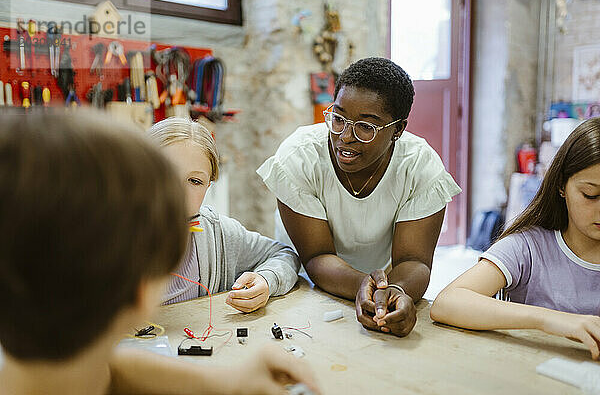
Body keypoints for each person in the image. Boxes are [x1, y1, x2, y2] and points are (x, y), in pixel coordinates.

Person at [0, 109, 319, 395]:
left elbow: (109, 368)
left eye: (194, 181)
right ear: (140, 292)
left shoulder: (49, 360)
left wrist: (228, 383)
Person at [257, 57, 461, 336]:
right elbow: (317, 257)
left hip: (379, 286)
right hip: (298, 286)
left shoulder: (419, 168)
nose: (345, 137)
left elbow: (414, 261)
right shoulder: (300, 158)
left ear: (398, 130)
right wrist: (368, 287)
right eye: (338, 118)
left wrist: (395, 291)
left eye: (366, 126)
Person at [431, 118, 600, 360]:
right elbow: (447, 303)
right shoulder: (529, 247)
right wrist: (549, 319)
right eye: (590, 195)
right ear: (561, 185)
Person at [148, 117, 300, 312]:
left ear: (207, 187)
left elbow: (284, 254)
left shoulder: (218, 234)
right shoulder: (107, 235)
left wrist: (266, 280)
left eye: (195, 181)